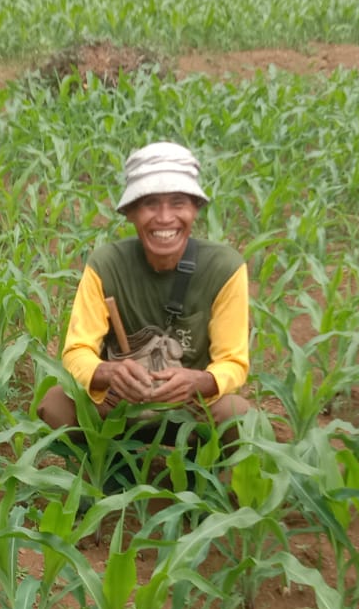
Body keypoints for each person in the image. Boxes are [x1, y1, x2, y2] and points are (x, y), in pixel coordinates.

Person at [39, 143, 251, 469]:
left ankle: (206, 476)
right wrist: (109, 373)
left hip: (190, 408)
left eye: (178, 203)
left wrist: (197, 381)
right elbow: (76, 352)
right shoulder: (106, 265)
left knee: (238, 415)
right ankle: (102, 467)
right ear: (131, 212)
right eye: (150, 204)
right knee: (56, 405)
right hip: (120, 405)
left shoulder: (224, 268)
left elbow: (233, 362)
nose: (164, 218)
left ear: (194, 209)